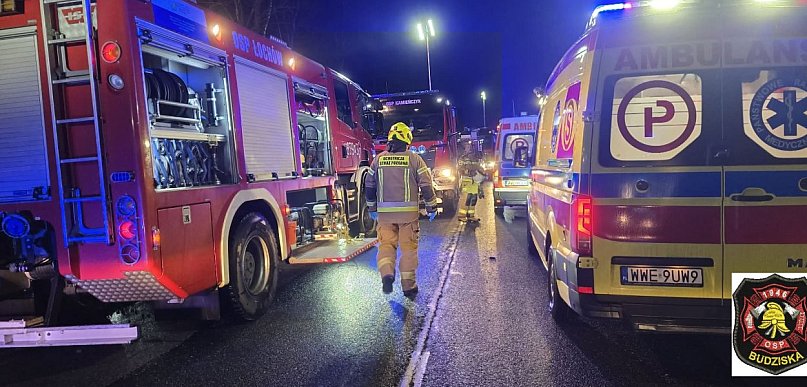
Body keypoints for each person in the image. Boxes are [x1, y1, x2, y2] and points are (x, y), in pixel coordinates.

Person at [365, 122, 438, 298]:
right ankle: (408, 286)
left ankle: (387, 275)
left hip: (385, 217)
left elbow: (369, 185)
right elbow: (426, 186)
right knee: (408, 250)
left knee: (386, 246)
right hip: (408, 217)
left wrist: (372, 207)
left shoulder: (378, 160)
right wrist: (431, 207)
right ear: (407, 140)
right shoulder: (414, 159)